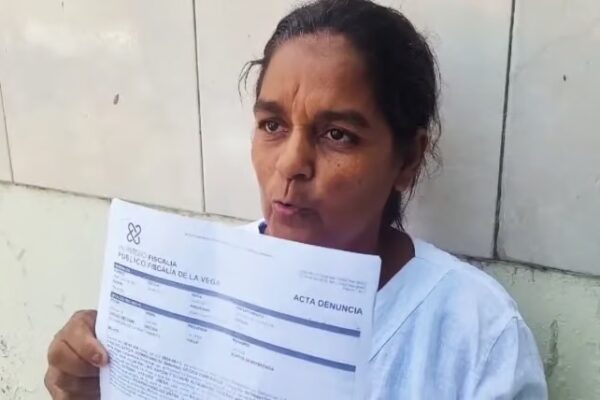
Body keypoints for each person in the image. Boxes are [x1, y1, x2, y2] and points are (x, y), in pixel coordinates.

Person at [44, 0, 548, 398]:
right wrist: (96, 382)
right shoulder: (194, 286)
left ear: (408, 159)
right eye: (272, 125)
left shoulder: (474, 331)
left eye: (337, 135)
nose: (290, 164)